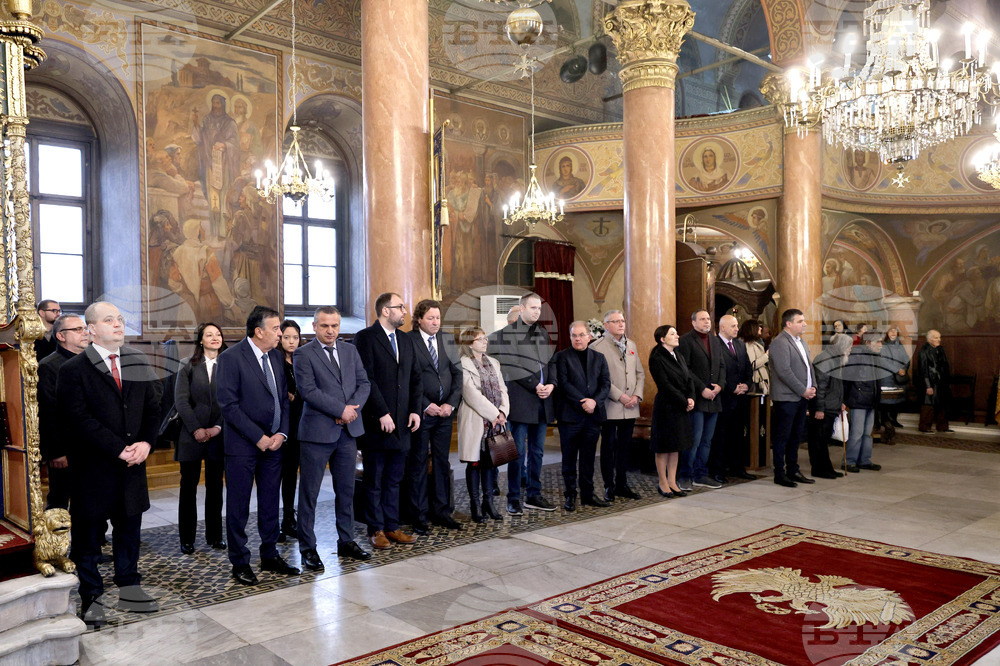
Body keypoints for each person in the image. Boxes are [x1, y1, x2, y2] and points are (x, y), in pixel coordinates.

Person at [57, 301, 162, 627]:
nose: (118, 324)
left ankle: (130, 590)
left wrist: (146, 443)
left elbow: (154, 408)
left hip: (132, 467)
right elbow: (77, 420)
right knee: (88, 537)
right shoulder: (72, 370)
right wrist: (119, 449)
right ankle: (92, 598)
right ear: (91, 329)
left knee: (129, 531)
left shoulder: (138, 360)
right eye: (108, 320)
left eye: (119, 319)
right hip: (94, 468)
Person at [216, 305, 299, 586]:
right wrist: (258, 437)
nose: (281, 333)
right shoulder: (231, 358)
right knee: (238, 506)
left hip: (274, 445)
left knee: (269, 502)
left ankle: (270, 554)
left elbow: (284, 399)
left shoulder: (275, 356)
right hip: (243, 446)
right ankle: (239, 561)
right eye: (276, 329)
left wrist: (282, 434)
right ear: (258, 331)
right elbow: (229, 406)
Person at [293, 306, 373, 569]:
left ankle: (346, 540)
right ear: (314, 326)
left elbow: (364, 383)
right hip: (317, 433)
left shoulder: (350, 350)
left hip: (347, 433)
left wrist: (350, 411)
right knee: (310, 494)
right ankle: (308, 547)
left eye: (335, 326)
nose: (330, 331)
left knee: (346, 490)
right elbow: (308, 391)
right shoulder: (303, 354)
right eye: (325, 326)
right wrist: (340, 410)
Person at [354, 292, 422, 550]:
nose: (405, 311)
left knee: (395, 478)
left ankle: (392, 526)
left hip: (404, 422)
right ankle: (376, 529)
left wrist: (415, 410)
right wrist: (382, 412)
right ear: (385, 310)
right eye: (400, 307)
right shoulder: (365, 338)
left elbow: (415, 377)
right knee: (375, 479)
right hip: (376, 422)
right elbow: (367, 379)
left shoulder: (405, 340)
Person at [489, 292, 558, 515]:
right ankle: (514, 498)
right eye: (533, 308)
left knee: (537, 452)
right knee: (516, 452)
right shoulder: (506, 334)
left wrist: (551, 384)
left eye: (539, 308)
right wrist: (534, 385)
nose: (537, 312)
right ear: (522, 308)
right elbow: (511, 365)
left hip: (542, 401)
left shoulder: (543, 332)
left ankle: (534, 495)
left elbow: (551, 362)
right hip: (521, 402)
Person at [405, 299, 463, 531]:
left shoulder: (447, 339)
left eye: (438, 318)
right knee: (418, 463)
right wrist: (425, 404)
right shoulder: (409, 340)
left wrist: (451, 404)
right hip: (422, 413)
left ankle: (442, 512)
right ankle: (418, 516)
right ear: (419, 319)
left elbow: (457, 375)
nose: (435, 322)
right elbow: (407, 379)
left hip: (445, 414)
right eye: (430, 318)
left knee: (441, 462)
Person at [174, 323, 227, 554]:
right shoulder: (188, 365)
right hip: (190, 435)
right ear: (200, 340)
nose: (215, 338)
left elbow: (233, 400)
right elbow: (181, 401)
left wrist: (217, 427)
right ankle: (187, 539)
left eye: (218, 334)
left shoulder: (229, 365)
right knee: (188, 489)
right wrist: (196, 428)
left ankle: (215, 536)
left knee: (215, 489)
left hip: (218, 435)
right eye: (209, 334)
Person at [553, 321, 611, 512]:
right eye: (574, 335)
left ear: (589, 336)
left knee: (588, 458)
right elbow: (563, 383)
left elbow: (605, 384)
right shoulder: (561, 357)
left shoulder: (599, 357)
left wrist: (594, 402)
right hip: (570, 416)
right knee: (569, 459)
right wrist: (583, 401)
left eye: (581, 335)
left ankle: (588, 494)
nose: (578, 339)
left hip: (592, 417)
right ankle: (570, 494)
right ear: (570, 337)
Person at [590, 309, 645, 501]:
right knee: (608, 447)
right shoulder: (597, 346)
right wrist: (620, 396)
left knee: (624, 447)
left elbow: (639, 373)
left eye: (622, 320)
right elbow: (599, 378)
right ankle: (609, 486)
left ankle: (622, 484)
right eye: (616, 321)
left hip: (631, 406)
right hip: (611, 405)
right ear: (606, 325)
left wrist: (636, 395)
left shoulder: (631, 344)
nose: (621, 324)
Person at [37, 313, 90, 510]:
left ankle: (96, 540)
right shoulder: (48, 366)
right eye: (77, 330)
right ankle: (55, 541)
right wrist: (56, 452)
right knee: (59, 499)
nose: (84, 333)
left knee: (92, 498)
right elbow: (49, 411)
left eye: (84, 329)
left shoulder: (93, 361)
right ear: (61, 336)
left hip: (93, 444)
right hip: (66, 448)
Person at [456, 327, 507, 522]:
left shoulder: (494, 362)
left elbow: (503, 389)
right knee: (475, 462)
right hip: (475, 418)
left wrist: (502, 412)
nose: (485, 342)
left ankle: (488, 503)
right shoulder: (463, 364)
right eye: (480, 339)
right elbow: (471, 394)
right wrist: (494, 413)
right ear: (469, 343)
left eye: (485, 338)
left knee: (490, 462)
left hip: (495, 420)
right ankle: (475, 505)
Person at [676, 310, 726, 491]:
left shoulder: (714, 340)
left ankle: (701, 474)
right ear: (693, 322)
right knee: (694, 440)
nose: (707, 322)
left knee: (707, 440)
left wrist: (720, 385)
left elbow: (721, 365)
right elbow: (685, 369)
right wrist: (701, 389)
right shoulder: (686, 340)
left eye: (708, 319)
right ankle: (685, 475)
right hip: (697, 398)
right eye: (703, 319)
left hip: (714, 398)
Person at [767, 308, 817, 487]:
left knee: (796, 436)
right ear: (788, 324)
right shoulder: (780, 342)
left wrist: (813, 387)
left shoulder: (801, 342)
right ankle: (779, 473)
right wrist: (802, 390)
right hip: (787, 398)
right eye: (800, 321)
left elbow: (808, 367)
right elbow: (783, 371)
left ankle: (793, 470)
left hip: (802, 397)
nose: (804, 324)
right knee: (783, 437)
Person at [648, 325, 695, 498]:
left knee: (676, 445)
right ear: (662, 339)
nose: (677, 336)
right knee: (664, 446)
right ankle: (663, 482)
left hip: (681, 406)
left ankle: (673, 481)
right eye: (673, 334)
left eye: (677, 333)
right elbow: (665, 384)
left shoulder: (679, 355)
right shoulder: (657, 357)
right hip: (667, 406)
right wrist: (684, 400)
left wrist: (691, 397)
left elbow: (688, 378)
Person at [709, 314, 754, 483]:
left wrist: (746, 385)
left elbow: (748, 369)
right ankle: (718, 470)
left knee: (738, 435)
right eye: (734, 326)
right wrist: (731, 387)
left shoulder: (740, 344)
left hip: (740, 399)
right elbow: (714, 372)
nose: (737, 329)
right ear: (722, 327)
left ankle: (738, 468)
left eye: (737, 325)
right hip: (723, 398)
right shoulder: (714, 344)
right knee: (720, 436)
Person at [809, 333, 852, 479]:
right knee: (819, 440)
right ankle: (819, 469)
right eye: (849, 346)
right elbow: (821, 387)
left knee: (824, 439)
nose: (850, 349)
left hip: (831, 406)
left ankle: (826, 468)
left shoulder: (835, 359)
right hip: (824, 408)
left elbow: (836, 385)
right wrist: (820, 409)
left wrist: (840, 402)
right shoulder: (826, 359)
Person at [842, 332, 884, 472]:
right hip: (858, 398)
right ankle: (850, 461)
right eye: (877, 341)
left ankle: (864, 460)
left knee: (867, 433)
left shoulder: (876, 357)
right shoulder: (856, 356)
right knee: (857, 433)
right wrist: (844, 400)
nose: (880, 344)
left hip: (871, 399)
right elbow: (847, 379)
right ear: (867, 343)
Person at [278, 319, 302, 542]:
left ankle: (289, 519)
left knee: (292, 476)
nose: (291, 341)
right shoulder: (275, 361)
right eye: (287, 337)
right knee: (277, 476)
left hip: (300, 425)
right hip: (281, 426)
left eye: (295, 337)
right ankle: (273, 522)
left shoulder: (302, 360)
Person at [915, 329, 952, 433]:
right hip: (930, 383)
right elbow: (923, 370)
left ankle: (943, 427)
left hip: (941, 383)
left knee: (942, 404)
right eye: (936, 337)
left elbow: (945, 366)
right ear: (929, 339)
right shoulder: (924, 351)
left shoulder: (940, 349)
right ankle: (924, 427)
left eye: (939, 337)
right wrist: (928, 386)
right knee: (928, 406)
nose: (939, 340)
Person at [880, 326, 910, 428]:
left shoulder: (900, 345)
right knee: (886, 400)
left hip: (898, 378)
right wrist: (898, 370)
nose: (893, 333)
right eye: (891, 331)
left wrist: (904, 370)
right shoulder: (883, 345)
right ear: (887, 333)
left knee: (897, 400)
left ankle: (894, 420)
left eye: (895, 331)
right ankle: (884, 420)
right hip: (887, 377)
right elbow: (884, 362)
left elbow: (906, 360)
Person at [739, 319, 769, 396]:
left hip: (761, 379)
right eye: (758, 327)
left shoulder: (756, 343)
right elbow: (752, 364)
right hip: (755, 381)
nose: (760, 328)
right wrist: (766, 356)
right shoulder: (748, 345)